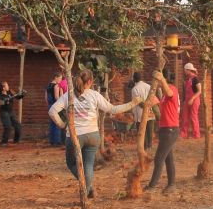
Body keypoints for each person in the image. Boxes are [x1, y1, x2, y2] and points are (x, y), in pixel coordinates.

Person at [49, 69, 141, 198]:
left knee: (71, 163)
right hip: (93, 135)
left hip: (75, 136)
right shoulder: (94, 95)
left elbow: (52, 111)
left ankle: (87, 187)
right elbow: (112, 109)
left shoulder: (68, 95)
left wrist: (63, 124)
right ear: (91, 82)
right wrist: (133, 103)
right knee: (88, 165)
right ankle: (88, 188)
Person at [145, 69, 180, 193]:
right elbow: (164, 106)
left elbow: (169, 92)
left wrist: (161, 79)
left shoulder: (172, 89)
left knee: (159, 159)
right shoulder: (164, 95)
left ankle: (152, 187)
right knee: (168, 158)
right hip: (165, 129)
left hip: (171, 129)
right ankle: (171, 185)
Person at [130, 72, 154, 150]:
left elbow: (138, 102)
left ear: (134, 79)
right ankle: (149, 146)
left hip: (140, 113)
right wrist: (149, 108)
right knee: (149, 129)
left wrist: (145, 108)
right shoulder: (148, 86)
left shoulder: (135, 89)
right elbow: (152, 98)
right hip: (150, 111)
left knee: (141, 132)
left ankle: (144, 147)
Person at [180, 63, 202, 139]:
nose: (184, 71)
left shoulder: (195, 79)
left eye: (185, 70)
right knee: (185, 117)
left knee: (193, 117)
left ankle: (196, 134)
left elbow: (199, 91)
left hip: (194, 100)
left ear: (188, 70)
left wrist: (192, 99)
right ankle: (183, 134)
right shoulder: (188, 79)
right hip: (187, 100)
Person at [46, 73, 65, 146]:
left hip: (50, 105)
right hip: (56, 105)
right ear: (55, 77)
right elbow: (57, 97)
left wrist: (49, 105)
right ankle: (57, 141)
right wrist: (61, 105)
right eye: (60, 78)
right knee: (58, 123)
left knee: (52, 124)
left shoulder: (48, 86)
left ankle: (52, 141)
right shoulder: (56, 86)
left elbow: (46, 97)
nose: (60, 80)